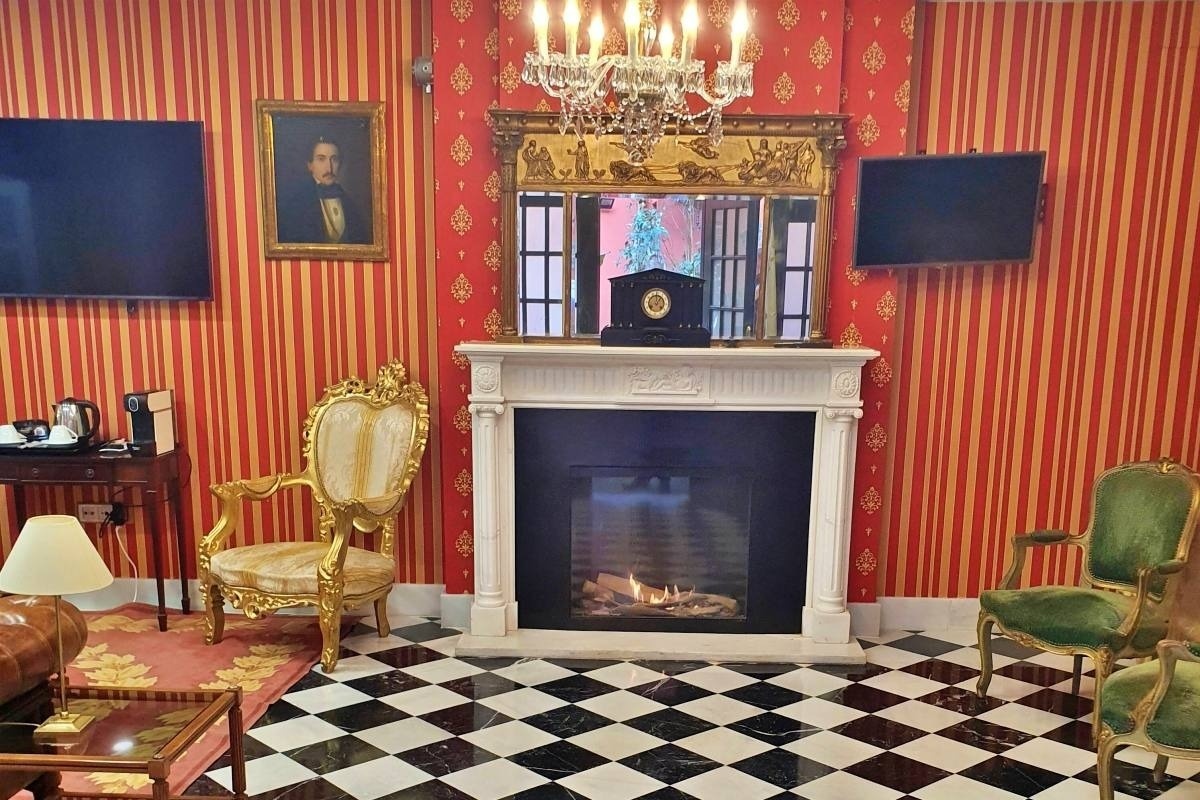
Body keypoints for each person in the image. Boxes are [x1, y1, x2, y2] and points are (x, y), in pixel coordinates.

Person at [276, 136, 370, 244]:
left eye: (334, 159)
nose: (329, 168)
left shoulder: (351, 204)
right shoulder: (296, 204)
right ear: (310, 165)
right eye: (321, 159)